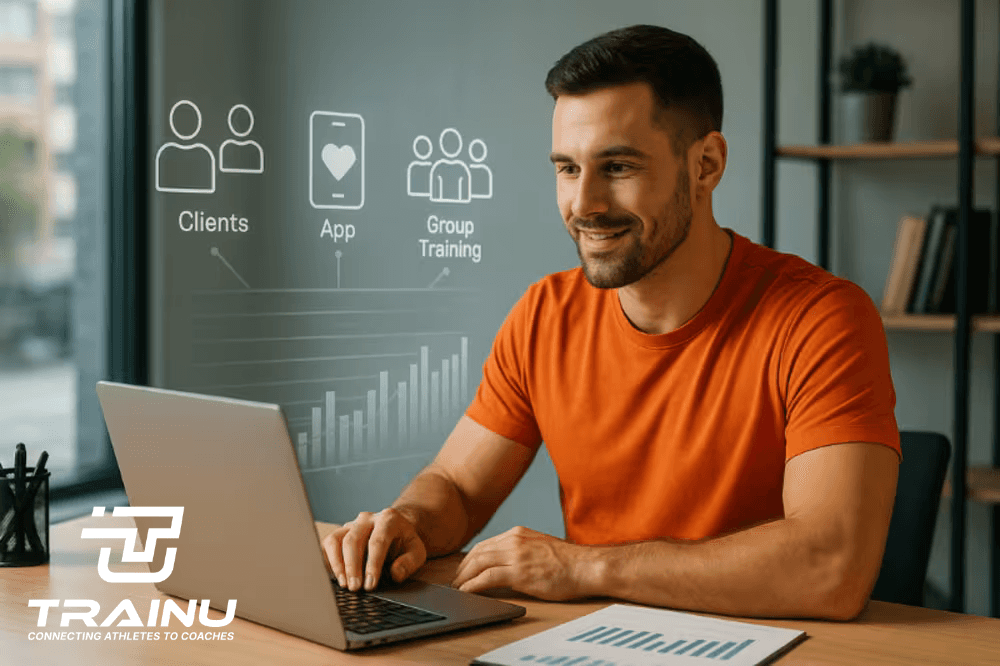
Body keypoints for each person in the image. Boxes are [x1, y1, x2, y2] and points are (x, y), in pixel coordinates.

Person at [322, 24, 900, 621]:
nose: (584, 204)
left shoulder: (821, 320)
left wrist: (585, 568)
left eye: (618, 166)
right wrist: (409, 521)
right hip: (592, 642)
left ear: (705, 165)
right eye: (568, 169)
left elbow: (831, 567)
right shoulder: (544, 316)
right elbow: (459, 488)